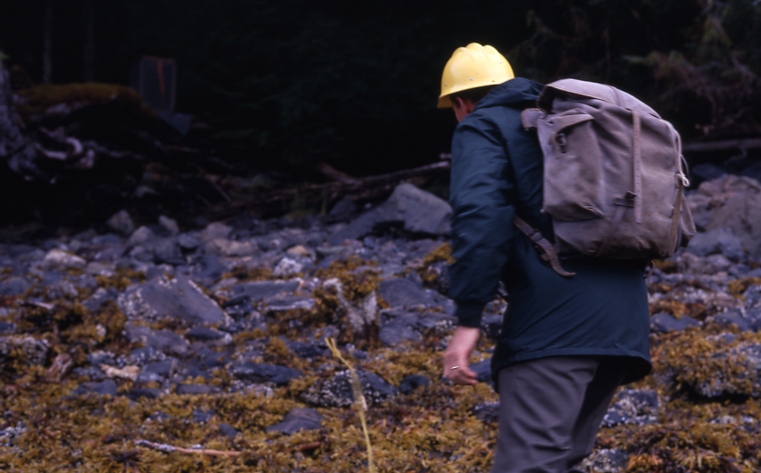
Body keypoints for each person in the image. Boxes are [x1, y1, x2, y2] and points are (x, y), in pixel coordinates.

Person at [439, 43, 652, 473]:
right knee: (561, 461)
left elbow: (481, 218)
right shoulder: (564, 124)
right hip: (625, 323)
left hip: (556, 327)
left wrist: (467, 321)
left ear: (461, 103)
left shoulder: (481, 126)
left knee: (528, 465)